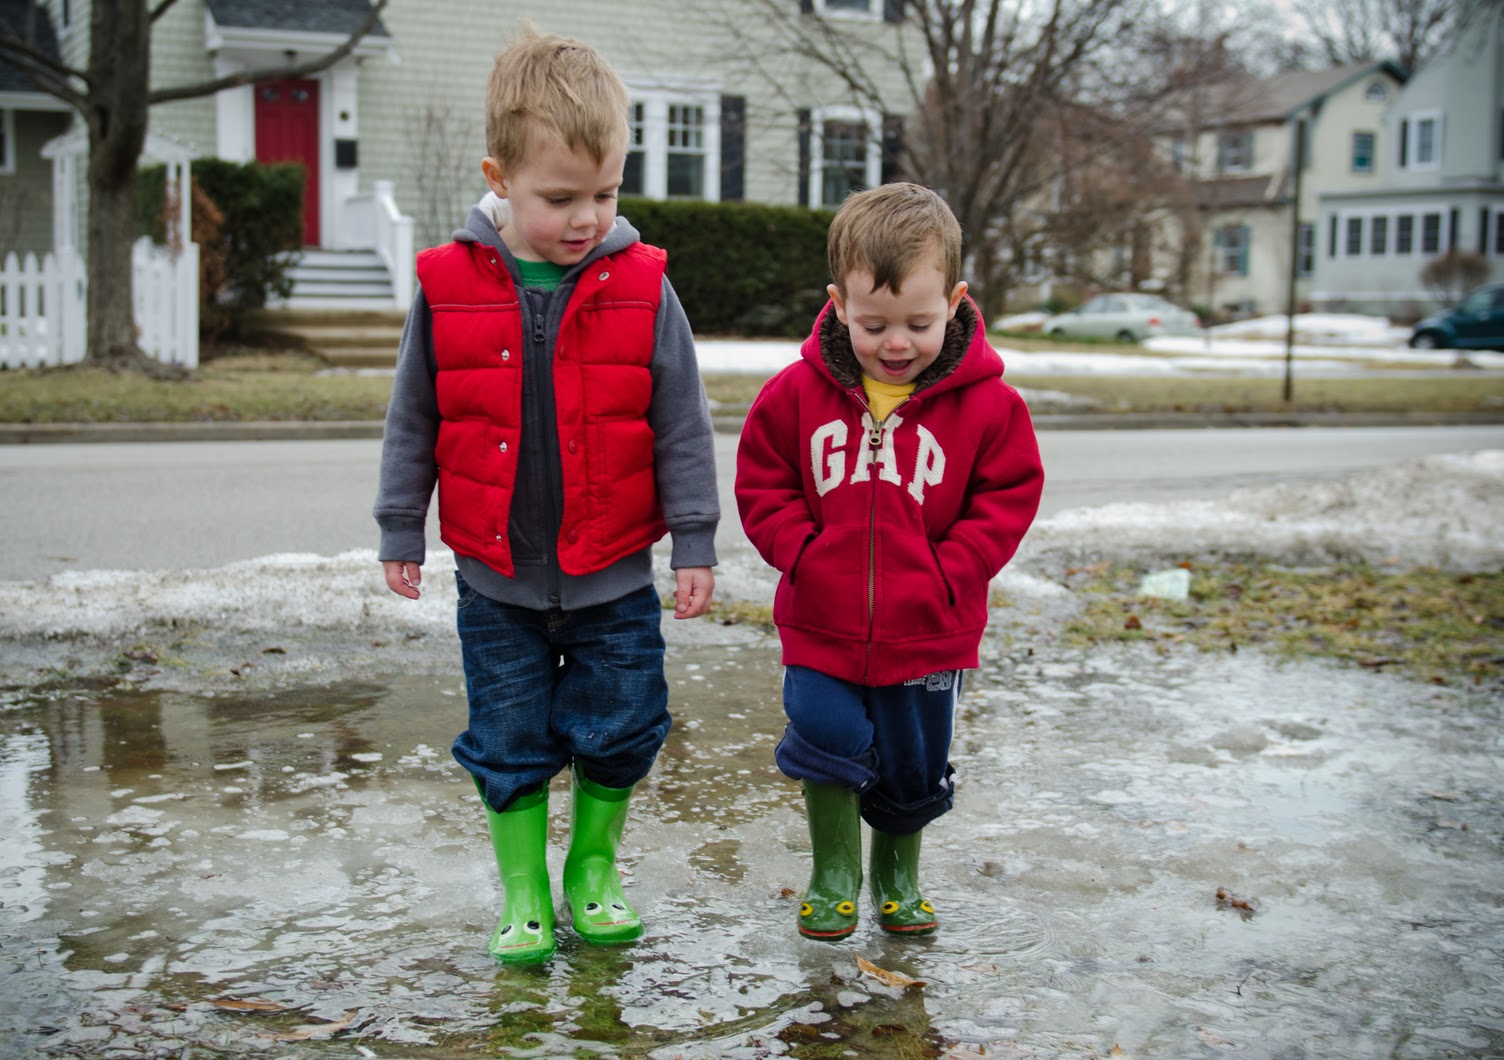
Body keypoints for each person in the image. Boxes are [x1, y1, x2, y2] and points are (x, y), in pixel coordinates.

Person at [374, 25, 719, 965]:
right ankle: (524, 887)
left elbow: (682, 422)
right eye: (560, 198)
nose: (586, 219)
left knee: (623, 727)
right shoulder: (448, 287)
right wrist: (401, 524)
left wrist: (694, 539)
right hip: (496, 582)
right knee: (509, 737)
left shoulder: (643, 286)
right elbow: (414, 416)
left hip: (612, 578)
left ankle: (592, 868)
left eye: (605, 195)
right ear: (500, 177)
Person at [734, 183, 1043, 941]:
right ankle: (835, 871)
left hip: (929, 628)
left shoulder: (990, 408)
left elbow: (1007, 496)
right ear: (838, 304)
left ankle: (898, 876)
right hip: (822, 620)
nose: (895, 343)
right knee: (822, 733)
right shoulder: (795, 395)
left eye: (919, 322)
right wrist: (801, 553)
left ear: (958, 301)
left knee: (913, 762)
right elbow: (761, 479)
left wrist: (952, 571)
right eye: (874, 324)